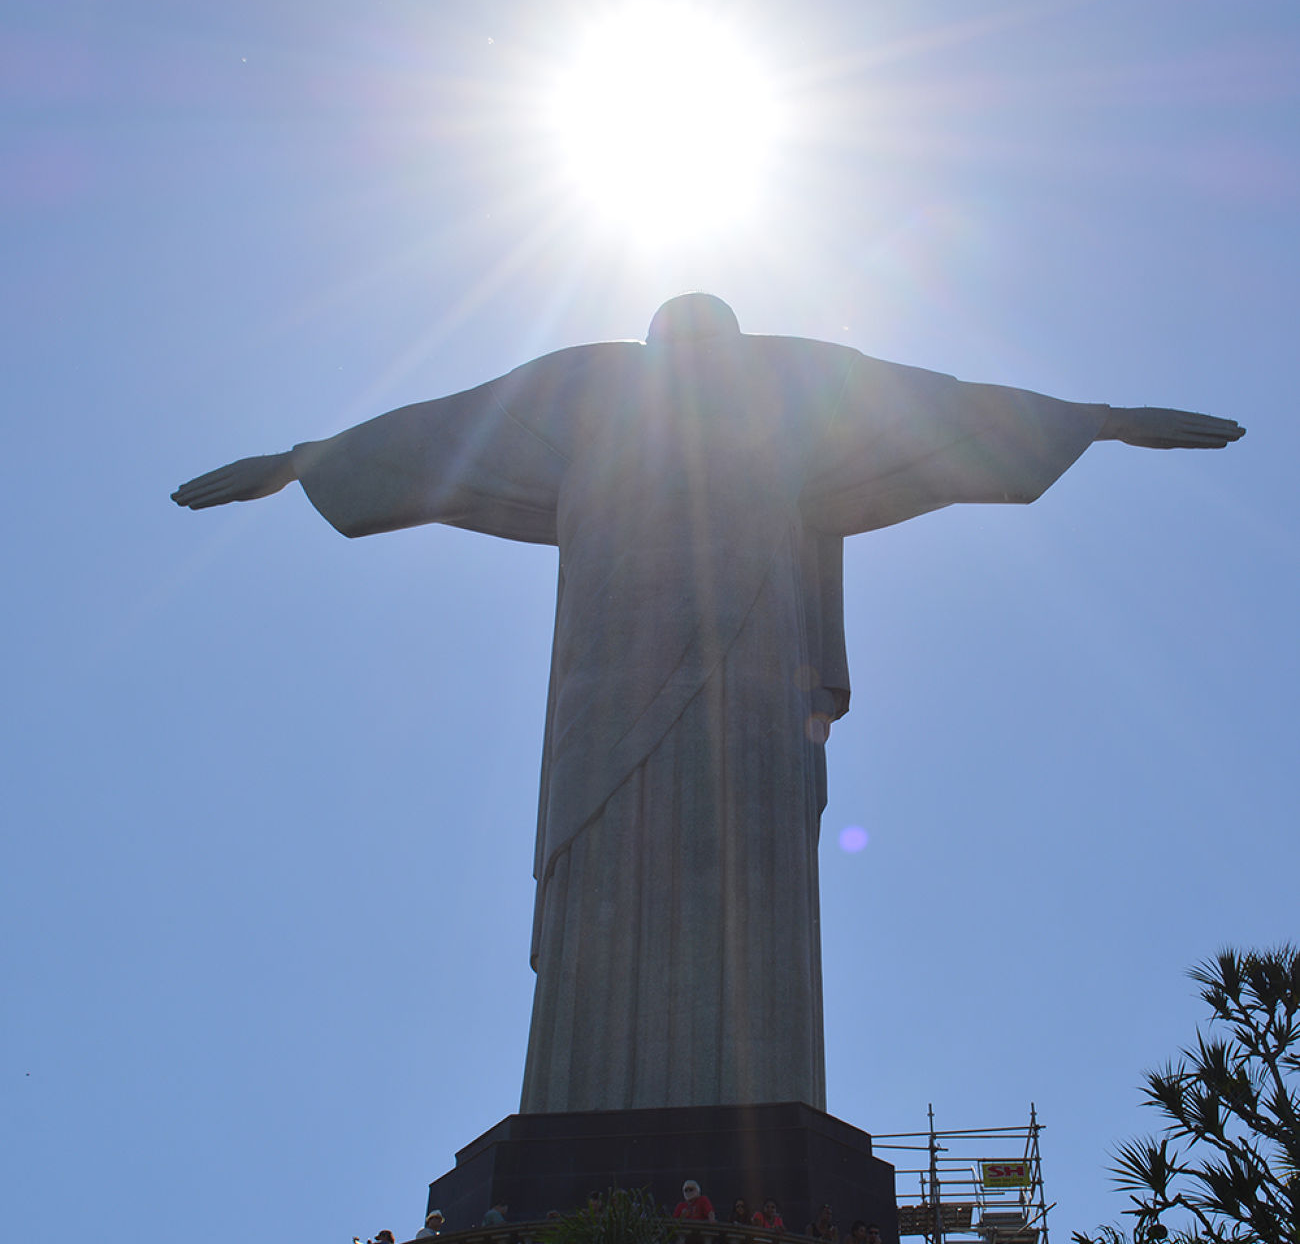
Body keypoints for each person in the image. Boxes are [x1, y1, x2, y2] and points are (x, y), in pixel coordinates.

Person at [173, 293, 1244, 1115]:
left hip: (750, 673)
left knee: (746, 861)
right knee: (604, 849)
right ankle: (586, 1098)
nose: (691, 353)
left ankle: (748, 1084)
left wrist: (1096, 421)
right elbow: (439, 435)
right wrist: (302, 461)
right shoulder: (582, 395)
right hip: (606, 673)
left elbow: (942, 412)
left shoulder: (793, 391)